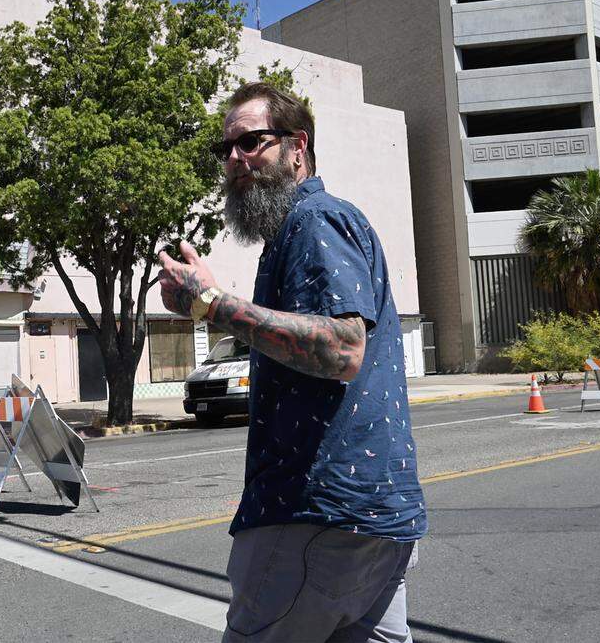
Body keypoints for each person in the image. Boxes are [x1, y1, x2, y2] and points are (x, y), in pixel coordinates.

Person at [158, 82, 426, 642]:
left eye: (252, 142)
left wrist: (211, 304)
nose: (235, 159)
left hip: (315, 514)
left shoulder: (314, 219)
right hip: (378, 522)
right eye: (226, 148)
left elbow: (342, 349)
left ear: (297, 147)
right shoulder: (304, 228)